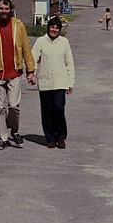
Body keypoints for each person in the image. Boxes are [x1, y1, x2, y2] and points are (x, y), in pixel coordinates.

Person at [0, 0, 36, 150]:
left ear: (10, 9)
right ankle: (3, 138)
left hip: (15, 72)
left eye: (6, 9)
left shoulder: (18, 25)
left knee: (13, 105)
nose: (4, 11)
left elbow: (26, 48)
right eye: (1, 9)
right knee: (0, 107)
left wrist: (31, 71)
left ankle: (15, 131)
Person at [32, 16, 75, 149]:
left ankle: (61, 137)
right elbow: (33, 59)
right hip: (45, 83)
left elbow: (70, 63)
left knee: (58, 108)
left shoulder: (64, 42)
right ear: (48, 27)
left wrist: (70, 82)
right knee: (47, 111)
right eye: (52, 27)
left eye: (56, 28)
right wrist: (31, 74)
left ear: (60, 29)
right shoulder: (40, 41)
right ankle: (50, 138)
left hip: (60, 82)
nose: (54, 30)